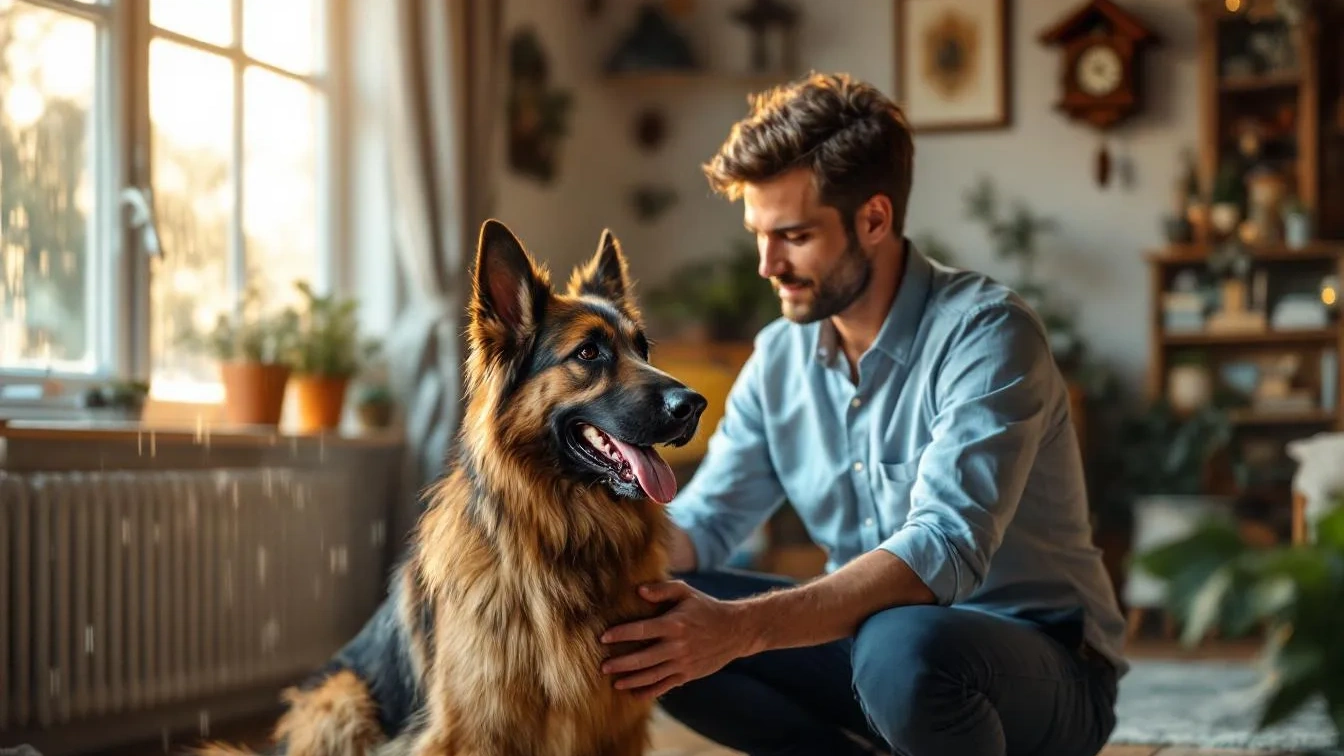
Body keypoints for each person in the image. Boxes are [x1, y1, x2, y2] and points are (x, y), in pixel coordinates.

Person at [597, 72, 1128, 756]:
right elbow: (707, 523)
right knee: (651, 613)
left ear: (873, 220)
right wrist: (582, 566)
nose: (767, 264)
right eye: (759, 234)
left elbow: (938, 550)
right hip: (872, 650)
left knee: (899, 646)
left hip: (1041, 667)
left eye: (792, 235)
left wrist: (742, 628)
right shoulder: (778, 358)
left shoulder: (988, 335)